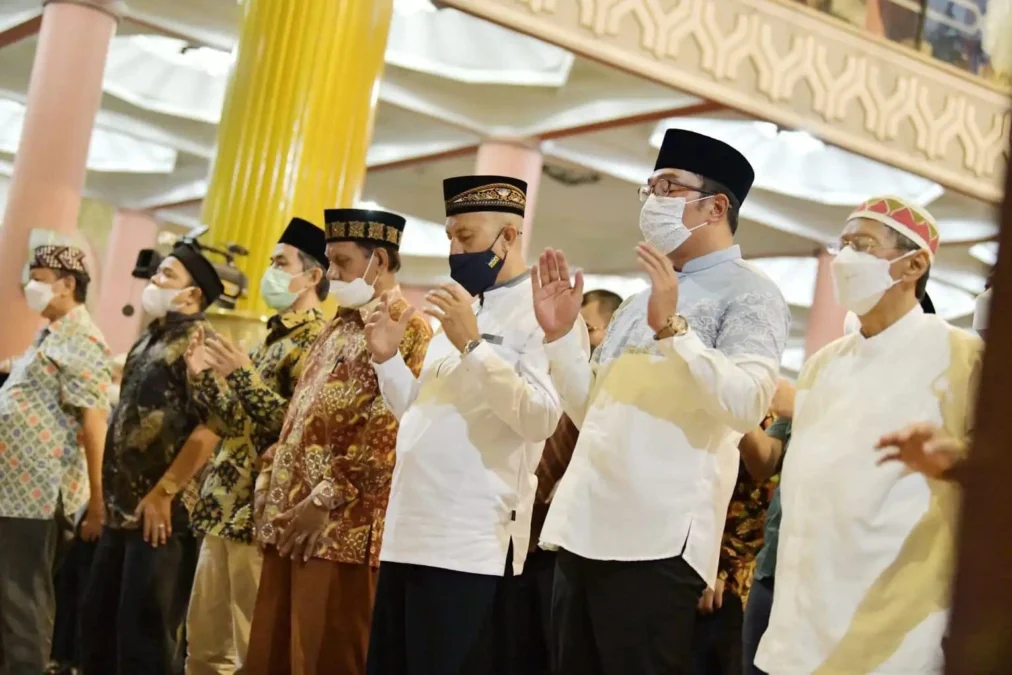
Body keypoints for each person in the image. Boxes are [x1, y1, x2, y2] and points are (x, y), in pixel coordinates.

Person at [533, 129, 791, 675]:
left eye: (668, 186)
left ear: (715, 206)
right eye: (649, 187)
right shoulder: (637, 301)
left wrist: (676, 330)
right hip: (584, 527)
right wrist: (561, 339)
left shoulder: (752, 294)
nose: (652, 200)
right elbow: (595, 413)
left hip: (656, 540)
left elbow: (746, 406)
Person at [754, 196, 982, 674]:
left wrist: (957, 461)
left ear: (914, 264)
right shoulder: (823, 364)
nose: (846, 258)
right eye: (843, 245)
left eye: (863, 245)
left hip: (897, 627)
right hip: (801, 620)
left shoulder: (964, 357)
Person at [365, 175, 562, 675]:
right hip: (409, 530)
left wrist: (474, 346)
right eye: (450, 237)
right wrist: (387, 360)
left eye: (466, 237)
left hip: (468, 543)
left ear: (509, 238)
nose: (454, 249)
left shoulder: (546, 313)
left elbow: (540, 417)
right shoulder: (462, 307)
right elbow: (420, 415)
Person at [243, 208, 431, 675]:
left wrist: (324, 497)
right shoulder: (335, 327)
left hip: (340, 529)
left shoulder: (409, 328)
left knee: (325, 655)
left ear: (380, 262)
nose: (332, 274)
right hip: (291, 521)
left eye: (342, 262)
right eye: (329, 262)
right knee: (275, 655)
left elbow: (392, 430)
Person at [183, 218, 329, 675]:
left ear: (313, 276)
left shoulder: (314, 341)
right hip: (222, 508)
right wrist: (202, 377)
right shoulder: (270, 337)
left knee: (252, 651)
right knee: (204, 648)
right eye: (269, 262)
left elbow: (293, 430)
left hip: (258, 515)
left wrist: (242, 374)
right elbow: (233, 425)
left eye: (279, 263)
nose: (269, 271)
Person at [80, 243, 224, 675]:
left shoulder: (203, 344)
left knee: (144, 642)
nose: (154, 282)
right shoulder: (151, 337)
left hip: (162, 518)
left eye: (166, 276)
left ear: (192, 295)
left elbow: (211, 428)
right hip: (122, 512)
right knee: (98, 633)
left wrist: (165, 492)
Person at [0, 245, 112, 675]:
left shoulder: (82, 339)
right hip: (14, 492)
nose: (31, 285)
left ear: (67, 284)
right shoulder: (52, 334)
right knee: (9, 599)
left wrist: (97, 502)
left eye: (40, 276)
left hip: (37, 495)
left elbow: (94, 422)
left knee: (22, 601)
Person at [516, 289, 623, 674]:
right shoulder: (553, 377)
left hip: (567, 543)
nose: (583, 339)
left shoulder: (608, 393)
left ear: (612, 332)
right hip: (526, 537)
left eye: (590, 329)